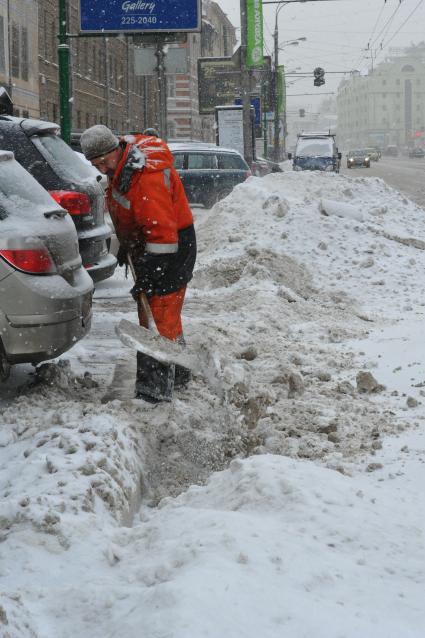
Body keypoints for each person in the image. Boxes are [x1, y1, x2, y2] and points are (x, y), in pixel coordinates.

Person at [80, 125, 196, 403]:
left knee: (158, 317)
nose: (103, 168)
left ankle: (153, 393)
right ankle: (179, 372)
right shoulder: (124, 166)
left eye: (104, 161)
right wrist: (127, 246)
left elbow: (161, 233)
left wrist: (152, 273)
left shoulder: (145, 177)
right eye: (96, 165)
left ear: (116, 150)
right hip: (151, 246)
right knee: (158, 315)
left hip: (170, 248)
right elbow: (130, 211)